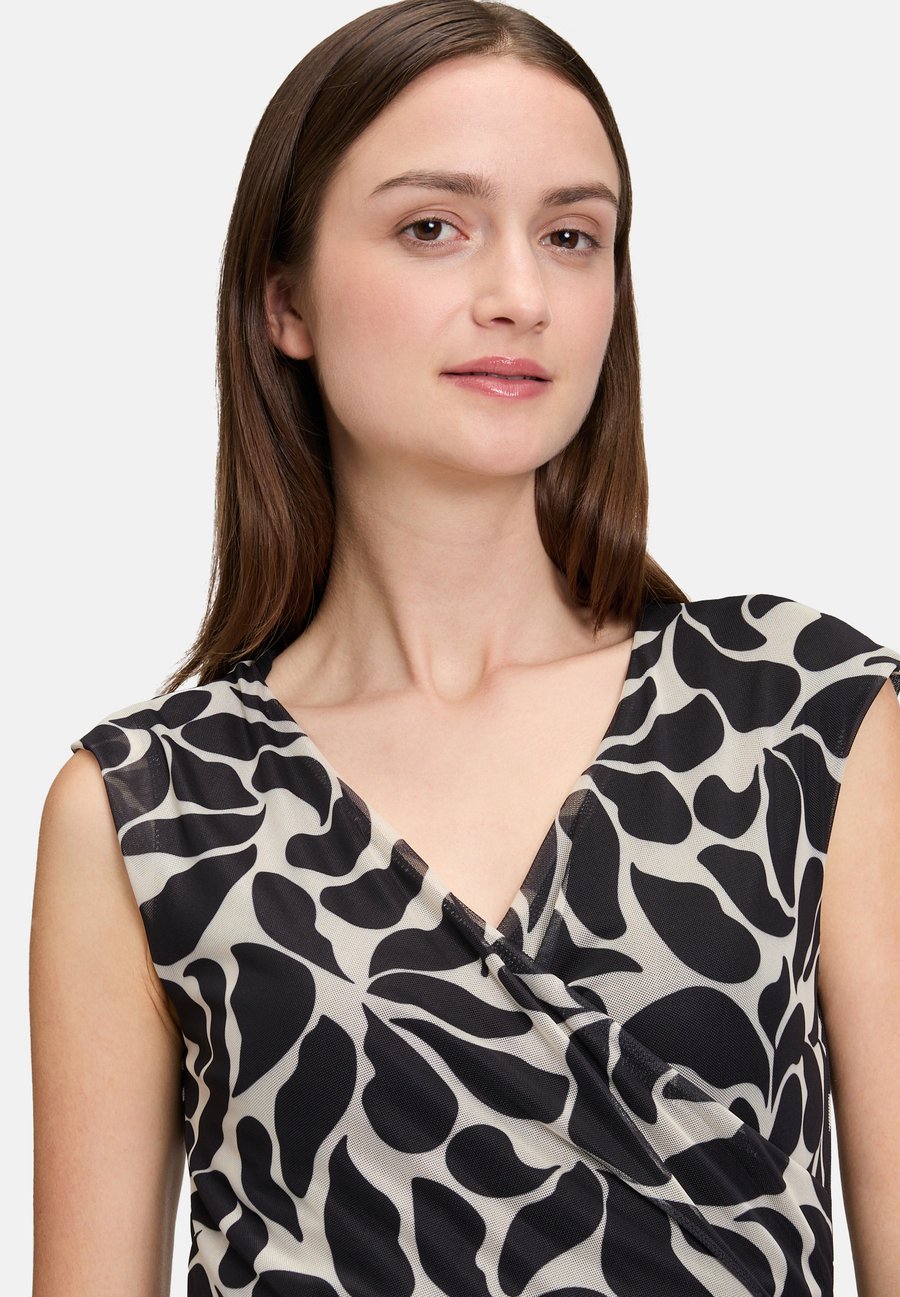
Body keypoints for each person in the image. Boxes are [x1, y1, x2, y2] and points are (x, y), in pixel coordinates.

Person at [29, 2, 900, 1294]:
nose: (520, 296)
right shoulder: (156, 809)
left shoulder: (801, 715)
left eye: (571, 236)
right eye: (433, 228)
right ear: (285, 301)